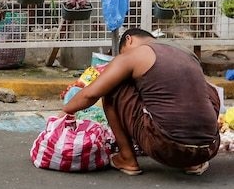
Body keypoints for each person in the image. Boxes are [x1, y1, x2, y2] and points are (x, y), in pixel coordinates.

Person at [62, 28, 221, 176]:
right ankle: (193, 164)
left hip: (166, 146)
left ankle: (127, 159)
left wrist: (65, 112)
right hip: (208, 148)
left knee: (111, 87)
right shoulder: (186, 53)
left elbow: (90, 94)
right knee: (207, 90)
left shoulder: (136, 54)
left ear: (129, 40)